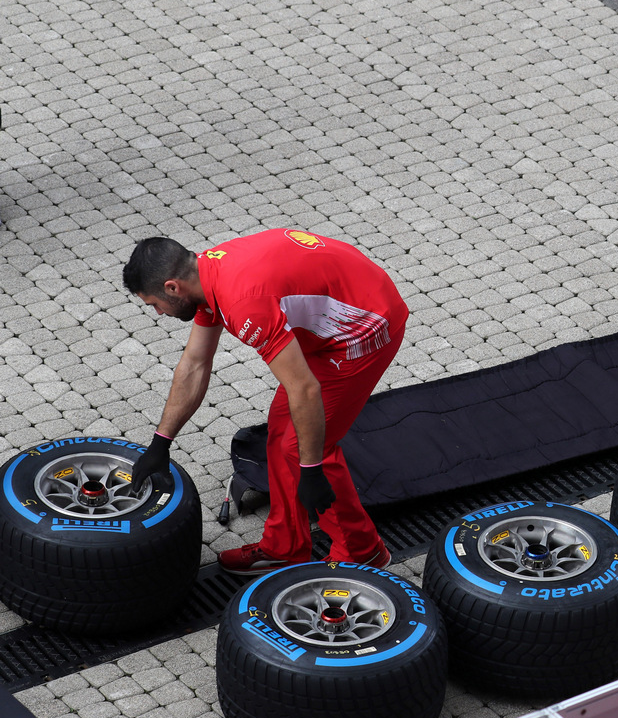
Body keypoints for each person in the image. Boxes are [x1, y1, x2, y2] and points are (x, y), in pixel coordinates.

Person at [123, 229, 408, 575]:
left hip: (367, 322)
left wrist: (312, 470)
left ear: (172, 287)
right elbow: (195, 364)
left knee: (303, 445)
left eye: (153, 304)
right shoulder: (208, 274)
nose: (157, 313)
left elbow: (305, 389)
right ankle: (285, 547)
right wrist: (161, 442)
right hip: (341, 304)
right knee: (282, 431)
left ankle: (363, 550)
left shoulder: (243, 302)